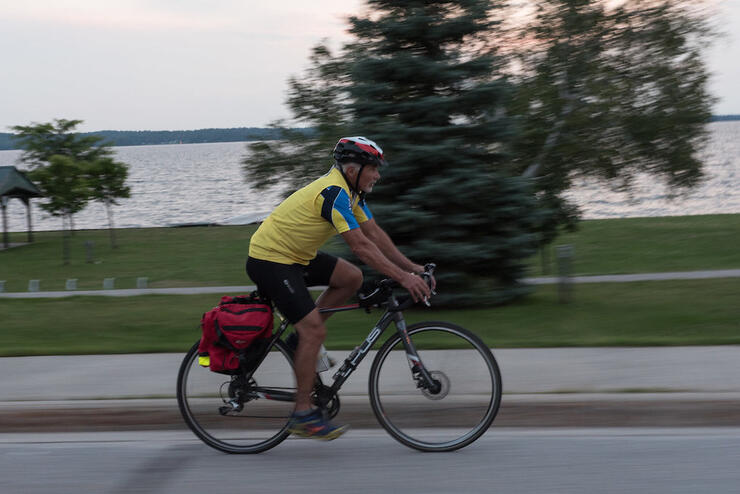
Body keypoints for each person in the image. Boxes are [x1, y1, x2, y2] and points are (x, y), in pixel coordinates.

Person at [246, 136, 434, 440]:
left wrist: (412, 267)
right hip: (270, 260)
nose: (378, 175)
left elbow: (374, 234)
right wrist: (403, 278)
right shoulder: (334, 194)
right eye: (373, 168)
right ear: (352, 169)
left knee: (351, 277)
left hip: (294, 257)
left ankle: (298, 342)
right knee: (315, 331)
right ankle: (303, 414)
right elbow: (360, 246)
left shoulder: (352, 194)